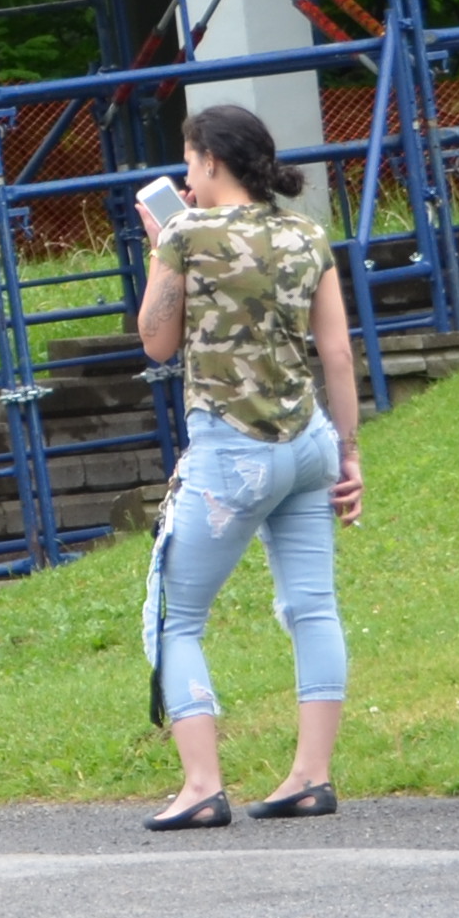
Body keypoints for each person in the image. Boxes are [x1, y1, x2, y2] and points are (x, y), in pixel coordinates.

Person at [132, 102, 363, 832]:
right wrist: (349, 454)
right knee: (312, 606)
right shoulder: (306, 234)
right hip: (309, 444)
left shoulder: (184, 233)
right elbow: (336, 353)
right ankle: (310, 777)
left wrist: (160, 248)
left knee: (174, 617)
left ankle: (202, 785)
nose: (187, 179)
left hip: (233, 449)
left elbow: (155, 342)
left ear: (210, 160)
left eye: (190, 162)